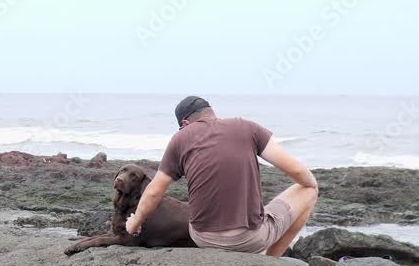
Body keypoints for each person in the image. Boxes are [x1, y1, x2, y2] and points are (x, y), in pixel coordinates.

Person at [125, 96, 318, 257]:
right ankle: (271, 261)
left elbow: (154, 192)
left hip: (202, 238)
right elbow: (297, 171)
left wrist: (135, 223)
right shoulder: (247, 127)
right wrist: (313, 185)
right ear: (211, 113)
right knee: (308, 190)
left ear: (184, 123)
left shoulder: (180, 138)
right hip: (249, 240)